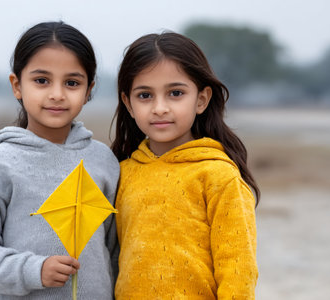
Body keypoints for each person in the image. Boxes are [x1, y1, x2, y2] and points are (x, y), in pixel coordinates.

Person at [0, 21, 120, 299]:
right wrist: (34, 269)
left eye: (72, 83)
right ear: (17, 85)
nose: (57, 94)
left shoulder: (103, 160)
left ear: (89, 90)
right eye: (41, 80)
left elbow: (115, 249)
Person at [111, 31, 260, 299]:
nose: (160, 108)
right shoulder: (122, 173)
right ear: (128, 104)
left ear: (201, 99)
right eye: (145, 95)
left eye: (175, 93)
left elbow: (238, 271)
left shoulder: (218, 175)